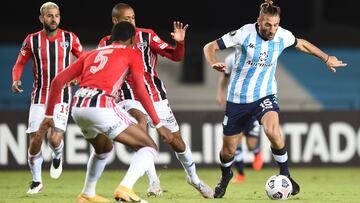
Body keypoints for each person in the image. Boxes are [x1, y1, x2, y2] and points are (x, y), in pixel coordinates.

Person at [203, 0, 347, 198]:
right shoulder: (244, 33)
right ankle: (226, 175)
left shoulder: (282, 35)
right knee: (228, 151)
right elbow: (209, 47)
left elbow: (302, 44)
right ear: (259, 21)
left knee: (272, 130)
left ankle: (285, 174)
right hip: (237, 99)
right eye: (268, 25)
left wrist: (326, 58)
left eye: (276, 25)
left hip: (265, 94)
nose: (272, 30)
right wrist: (212, 62)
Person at [37, 21, 174, 203]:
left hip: (78, 107)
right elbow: (141, 90)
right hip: (100, 104)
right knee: (148, 146)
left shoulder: (92, 53)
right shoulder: (132, 53)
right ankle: (125, 188)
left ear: (112, 37)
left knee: (103, 149)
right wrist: (158, 124)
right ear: (133, 39)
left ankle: (87, 193)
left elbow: (57, 81)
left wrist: (48, 115)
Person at [97, 3, 213, 198]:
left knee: (175, 141)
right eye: (127, 19)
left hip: (155, 95)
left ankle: (194, 179)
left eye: (133, 17)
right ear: (115, 21)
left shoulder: (147, 35)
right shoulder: (105, 42)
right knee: (140, 127)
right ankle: (153, 182)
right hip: (127, 96)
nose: (132, 22)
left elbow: (176, 56)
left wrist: (180, 43)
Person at [11, 2, 85, 194]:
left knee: (53, 139)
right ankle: (37, 182)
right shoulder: (32, 40)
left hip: (62, 96)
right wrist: (16, 79)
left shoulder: (70, 38)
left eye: (57, 15)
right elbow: (19, 63)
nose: (54, 19)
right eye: (50, 16)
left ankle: (57, 153)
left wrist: (77, 77)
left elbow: (85, 60)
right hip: (39, 96)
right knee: (35, 139)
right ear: (41, 18)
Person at [216, 52, 264, 184]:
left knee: (251, 144)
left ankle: (257, 152)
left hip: (253, 103)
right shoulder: (230, 59)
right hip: (236, 105)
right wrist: (220, 93)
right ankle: (241, 175)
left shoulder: (257, 55)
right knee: (235, 142)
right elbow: (225, 77)